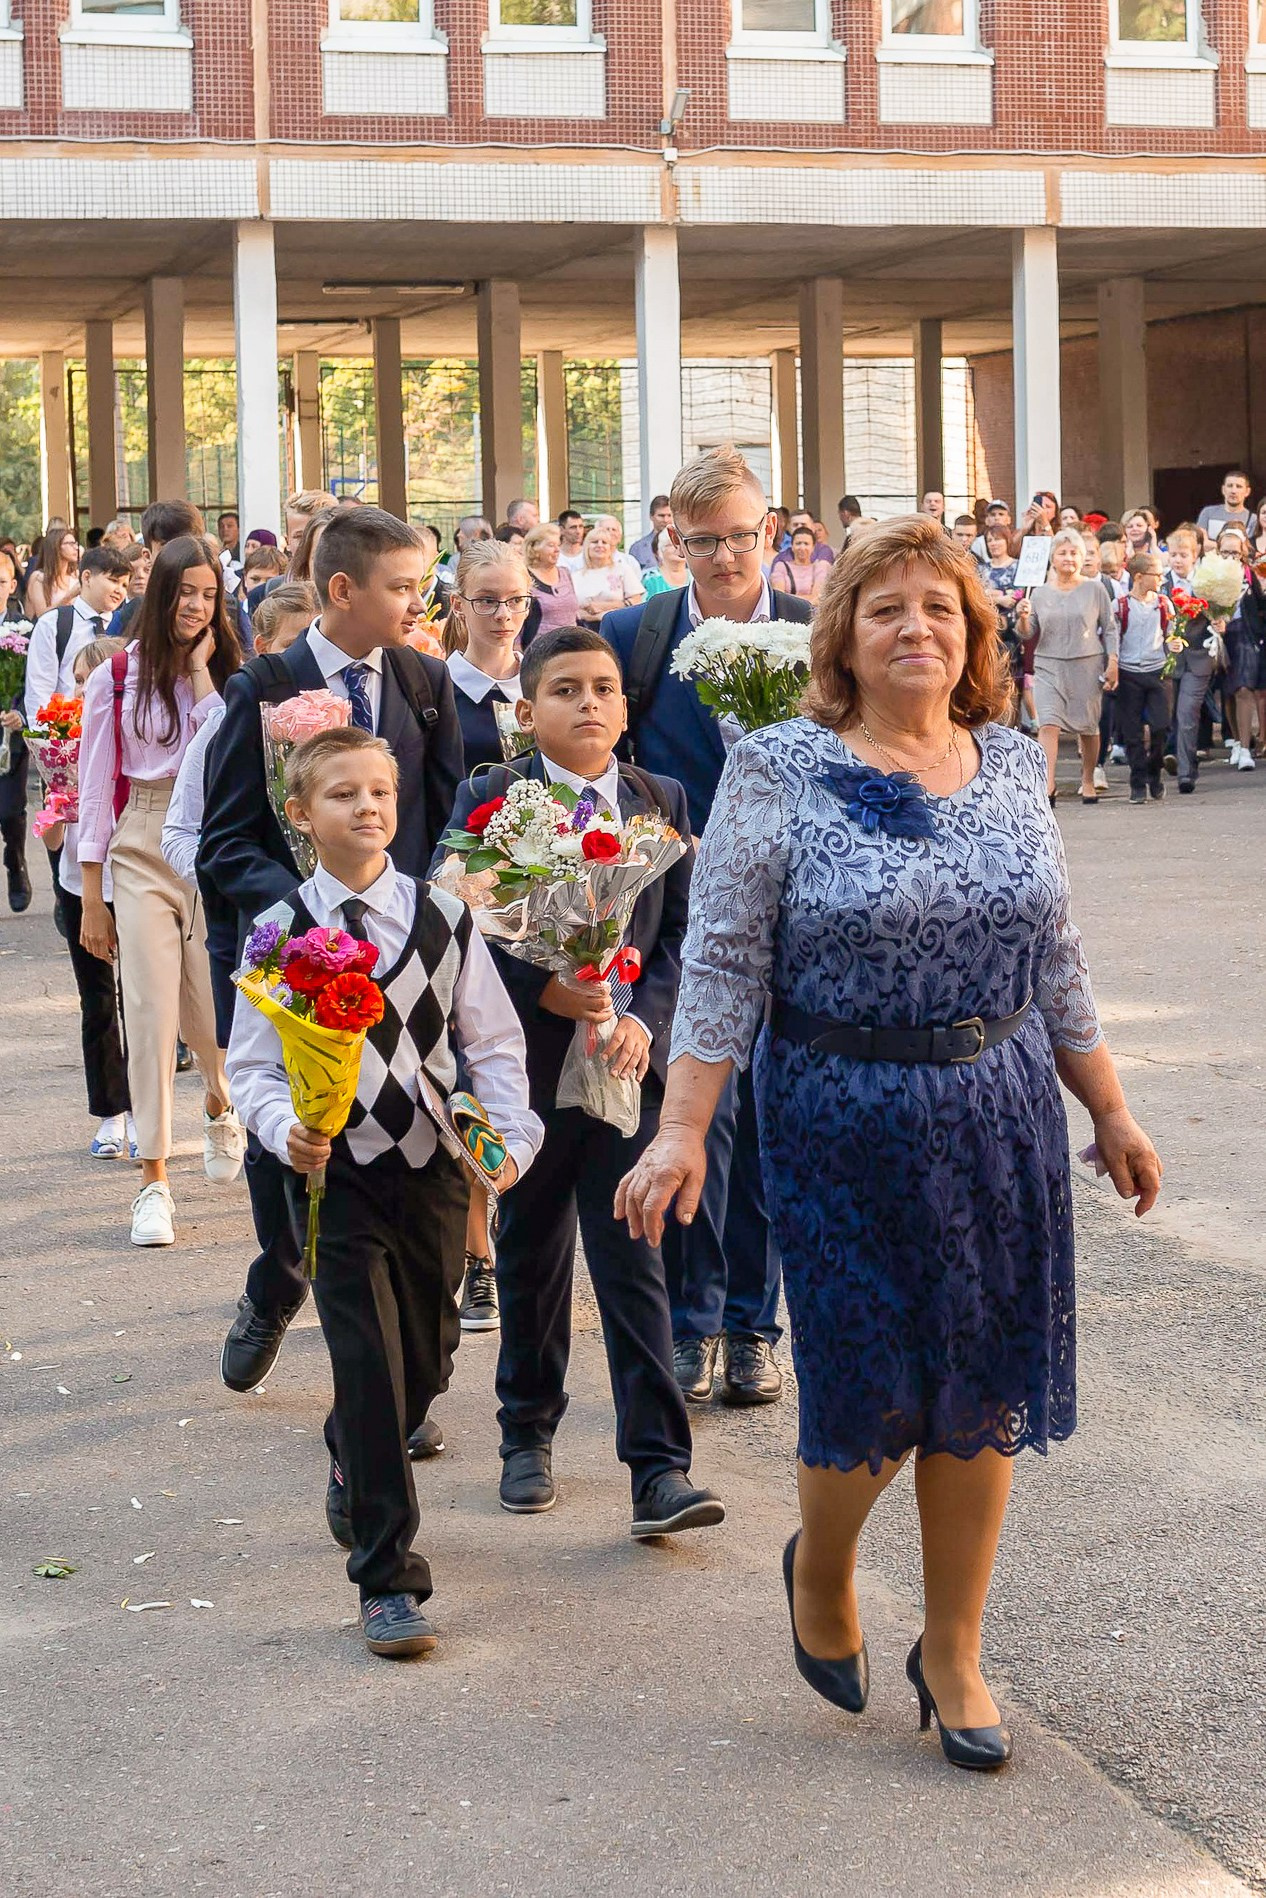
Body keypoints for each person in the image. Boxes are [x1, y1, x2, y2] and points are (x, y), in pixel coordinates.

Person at [616, 514, 1162, 1772]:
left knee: (982, 1385)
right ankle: (825, 1563)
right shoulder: (778, 767)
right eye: (886, 608)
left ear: (973, 634)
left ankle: (955, 1648)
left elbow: (1057, 957)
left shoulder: (1015, 763)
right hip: (840, 1111)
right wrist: (685, 1126)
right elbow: (727, 959)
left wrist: (1111, 1107)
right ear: (844, 639)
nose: (916, 627)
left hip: (1002, 1107)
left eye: (940, 608)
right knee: (870, 1386)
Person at [229, 724, 540, 1659]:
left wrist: (511, 1138)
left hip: (434, 1166)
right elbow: (253, 1066)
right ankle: (387, 1579)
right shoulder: (281, 930)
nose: (367, 807)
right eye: (341, 795)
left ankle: (352, 1444)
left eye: (381, 792)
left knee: (428, 1362)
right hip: (337, 1178)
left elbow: (490, 1042)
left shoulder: (444, 918)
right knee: (366, 1361)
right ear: (300, 816)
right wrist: (285, 1128)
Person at [439, 626, 725, 1539]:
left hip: (626, 1070)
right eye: (565, 690)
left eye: (603, 688)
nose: (589, 703)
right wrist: (547, 987)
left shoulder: (659, 799)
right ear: (527, 713)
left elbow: (685, 934)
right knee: (529, 1253)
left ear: (626, 706)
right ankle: (526, 1435)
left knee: (635, 1256)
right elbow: (455, 921)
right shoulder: (491, 801)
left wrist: (643, 1017)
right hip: (526, 1068)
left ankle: (659, 1468)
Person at [199, 507, 465, 1402]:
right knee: (297, 1144)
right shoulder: (262, 686)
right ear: (343, 589)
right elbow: (226, 840)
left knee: (394, 1142)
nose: (418, 603)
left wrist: (413, 916)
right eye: (402, 587)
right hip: (295, 964)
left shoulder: (426, 683)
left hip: (402, 963)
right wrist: (313, 922)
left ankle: (392, 1366)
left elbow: (445, 821)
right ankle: (276, 1284)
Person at [601, 445, 814, 1408]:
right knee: (697, 1117)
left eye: (741, 536)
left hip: (806, 922)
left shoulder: (821, 633)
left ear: (770, 531)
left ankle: (750, 1324)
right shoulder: (633, 639)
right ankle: (689, 1327)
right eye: (703, 541)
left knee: (772, 1121)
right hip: (686, 926)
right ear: (672, 543)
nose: (726, 557)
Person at [76, 535, 244, 1248]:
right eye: (185, 592)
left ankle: (218, 1102)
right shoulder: (115, 677)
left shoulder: (232, 675)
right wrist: (93, 896)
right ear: (161, 593)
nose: (196, 606)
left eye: (208, 594)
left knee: (210, 1016)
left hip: (210, 846)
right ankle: (153, 1180)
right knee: (147, 1012)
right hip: (141, 842)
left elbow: (227, 751)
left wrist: (204, 676)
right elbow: (92, 794)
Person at [161, 582, 317, 1044]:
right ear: (265, 651)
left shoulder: (345, 717)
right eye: (295, 647)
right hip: (264, 923)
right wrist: (232, 884)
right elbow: (181, 832)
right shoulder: (223, 723)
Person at [33, 635, 134, 1156]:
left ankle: (145, 1112)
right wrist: (56, 803)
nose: (76, 690)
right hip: (79, 886)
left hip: (133, 881)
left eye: (85, 680)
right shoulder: (61, 745)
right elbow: (52, 842)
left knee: (140, 1002)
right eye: (73, 681)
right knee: (97, 1001)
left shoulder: (133, 740)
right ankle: (111, 1114)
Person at [1017, 529, 1118, 804]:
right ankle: (1048, 784)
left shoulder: (1094, 589)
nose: (1068, 558)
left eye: (1074, 553)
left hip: (1086, 665)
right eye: (1062, 553)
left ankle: (1087, 779)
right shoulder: (1039, 593)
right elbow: (1027, 633)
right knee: (1048, 724)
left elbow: (1109, 628)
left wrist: (1113, 662)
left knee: (1088, 728)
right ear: (1052, 558)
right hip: (1049, 665)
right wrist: (1023, 617)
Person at [23, 546, 131, 722]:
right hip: (66, 735)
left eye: (125, 585)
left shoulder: (126, 625)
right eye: (113, 580)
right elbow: (39, 689)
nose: (120, 590)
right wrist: (46, 742)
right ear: (86, 577)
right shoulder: (54, 623)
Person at [1162, 526, 1219, 793]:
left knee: (1187, 712)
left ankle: (1186, 773)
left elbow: (1220, 614)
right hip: (1167, 659)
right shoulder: (1161, 584)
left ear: (1194, 556)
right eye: (1173, 554)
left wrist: (1220, 622)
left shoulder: (1205, 586)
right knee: (1168, 715)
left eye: (1183, 555)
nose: (1177, 560)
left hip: (1198, 657)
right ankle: (1177, 758)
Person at [1113, 554, 1173, 805]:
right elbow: (1113, 638)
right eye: (1156, 574)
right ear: (1139, 577)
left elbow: (1171, 633)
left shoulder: (1163, 603)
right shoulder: (1120, 606)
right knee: (1132, 732)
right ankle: (1137, 782)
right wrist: (1112, 666)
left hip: (1157, 670)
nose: (1161, 579)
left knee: (1161, 726)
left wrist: (1176, 643)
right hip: (1129, 673)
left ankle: (1154, 769)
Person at [107, 500, 206, 641]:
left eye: (187, 545)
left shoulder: (227, 607)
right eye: (168, 547)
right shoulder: (132, 614)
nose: (180, 554)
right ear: (148, 556)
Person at [0, 547, 32, 911]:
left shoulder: (24, 629)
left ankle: (16, 861)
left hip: (10, 736)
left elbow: (34, 681)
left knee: (9, 809)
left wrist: (20, 712)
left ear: (11, 585)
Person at [572, 525, 645, 627]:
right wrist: (595, 617)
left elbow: (636, 601)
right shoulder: (575, 576)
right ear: (586, 546)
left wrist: (603, 607)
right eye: (595, 542)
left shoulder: (623, 569)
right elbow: (571, 609)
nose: (600, 545)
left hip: (619, 625)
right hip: (585, 629)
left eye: (604, 542)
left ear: (610, 548)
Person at [524, 522, 580, 637]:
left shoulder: (565, 573)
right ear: (535, 548)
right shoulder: (525, 576)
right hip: (541, 647)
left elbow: (576, 614)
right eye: (551, 545)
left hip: (572, 643)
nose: (557, 550)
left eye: (558, 545)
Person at [27, 525, 81, 619]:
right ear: (56, 546)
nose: (76, 547)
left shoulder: (76, 575)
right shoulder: (39, 577)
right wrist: (68, 597)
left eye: (75, 543)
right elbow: (41, 615)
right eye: (70, 543)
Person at [771, 524, 829, 602]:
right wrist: (809, 598)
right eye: (798, 543)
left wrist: (788, 597)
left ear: (813, 547)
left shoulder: (819, 568)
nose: (802, 548)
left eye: (806, 543)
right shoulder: (781, 566)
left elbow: (817, 599)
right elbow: (778, 598)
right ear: (792, 545)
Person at [1197, 469, 1252, 541]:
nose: (1233, 491)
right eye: (1230, 486)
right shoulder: (1208, 513)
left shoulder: (1253, 519)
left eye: (1238, 486)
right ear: (1223, 489)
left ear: (1247, 492)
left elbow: (1249, 548)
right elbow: (1200, 542)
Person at [629, 495, 673, 573]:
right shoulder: (638, 548)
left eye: (669, 515)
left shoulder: (681, 544)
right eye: (661, 516)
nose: (666, 520)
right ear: (651, 516)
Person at [641, 527, 687, 598]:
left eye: (681, 544)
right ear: (660, 550)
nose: (679, 548)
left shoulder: (696, 577)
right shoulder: (650, 579)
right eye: (671, 545)